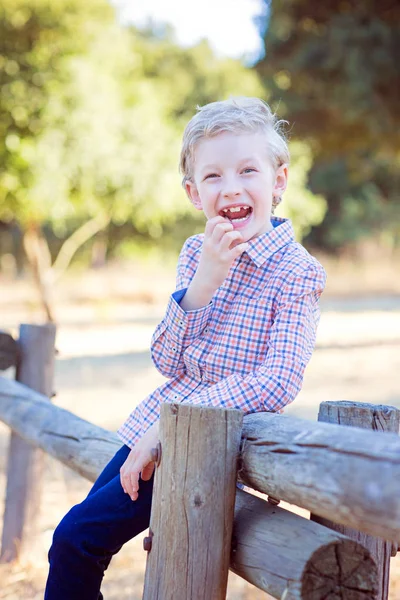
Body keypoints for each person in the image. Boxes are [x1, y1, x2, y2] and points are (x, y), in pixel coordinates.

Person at [45, 97, 326, 599]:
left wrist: (171, 426)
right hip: (154, 430)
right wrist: (205, 281)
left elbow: (279, 379)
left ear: (278, 181)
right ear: (194, 193)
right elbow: (167, 361)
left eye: (248, 170)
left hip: (206, 447)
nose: (232, 187)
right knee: (77, 542)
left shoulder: (296, 272)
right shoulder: (197, 253)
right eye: (214, 176)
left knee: (74, 542)